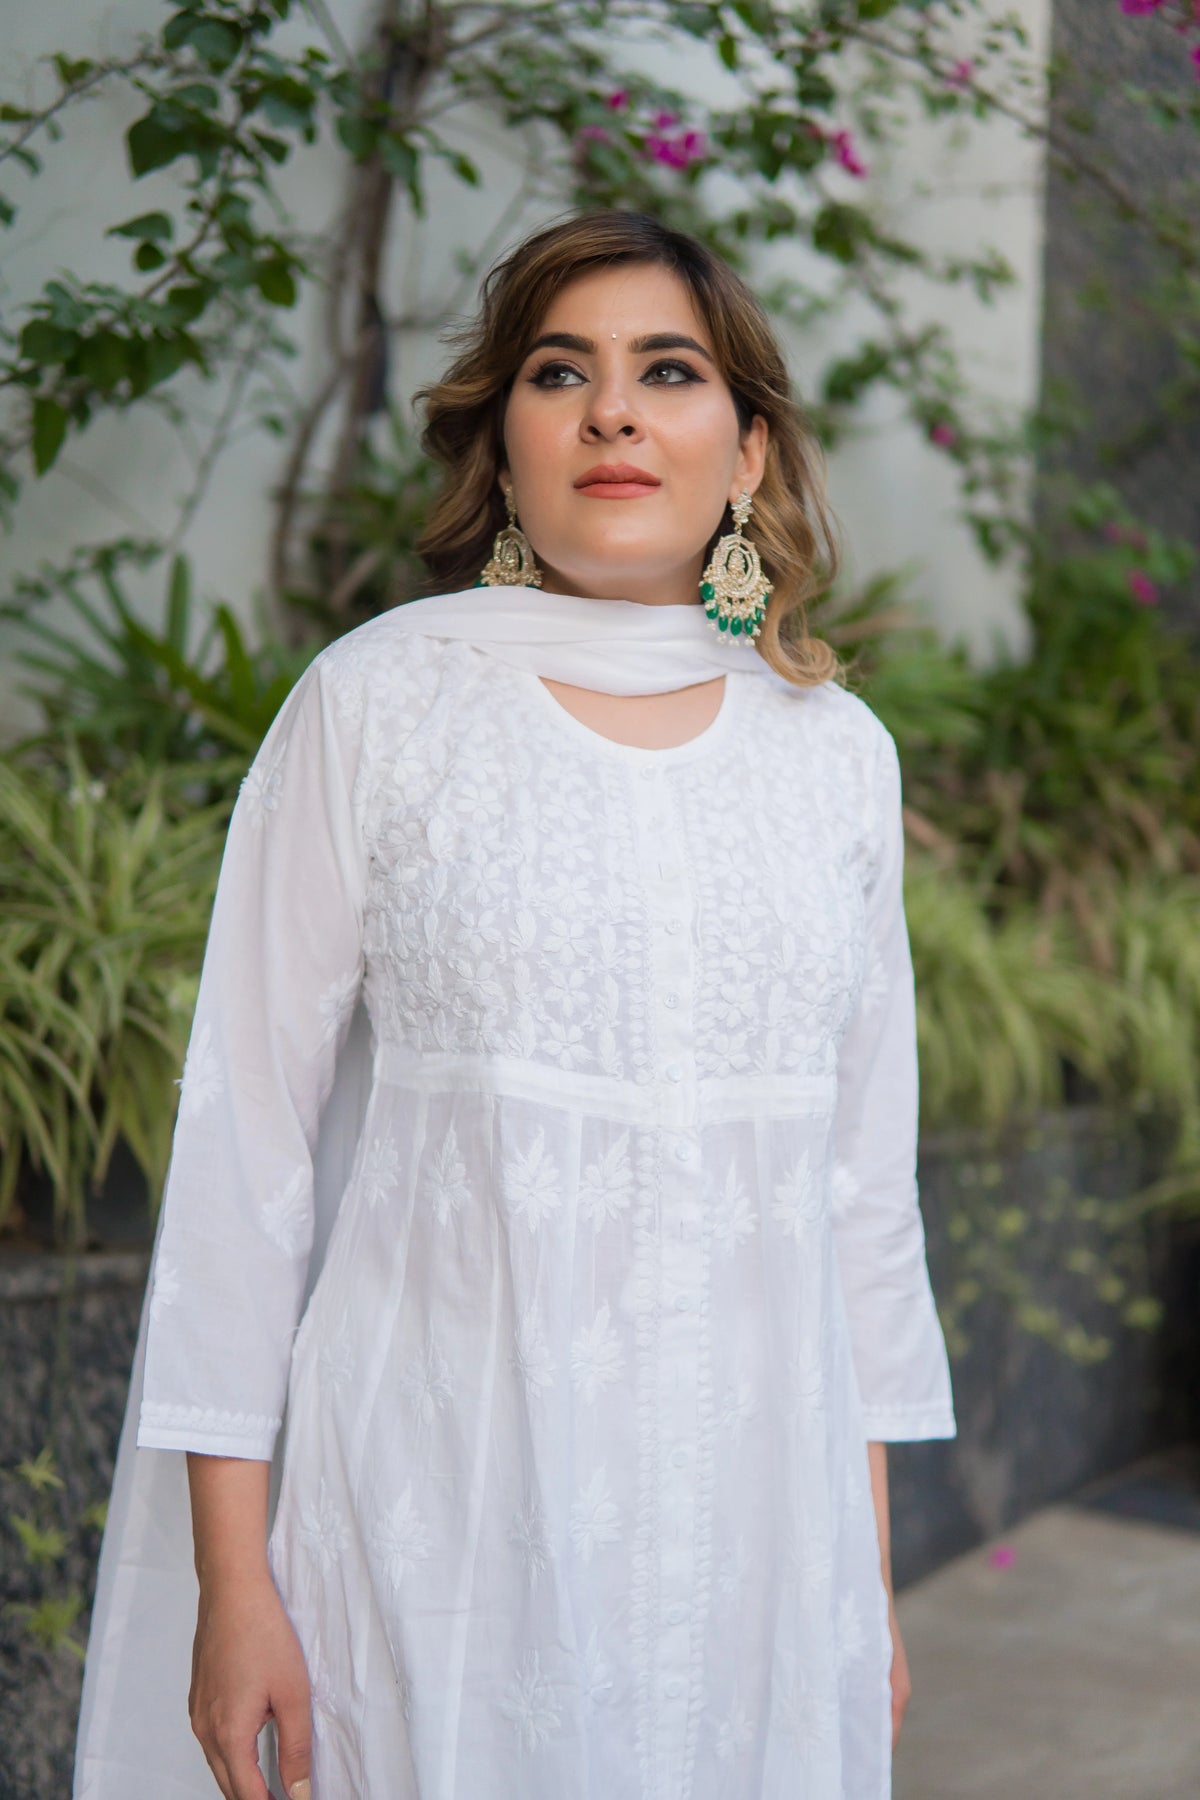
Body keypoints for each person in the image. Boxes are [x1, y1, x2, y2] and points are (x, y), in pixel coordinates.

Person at [74, 208, 955, 1800]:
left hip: (754, 1549)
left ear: (747, 452)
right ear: (507, 446)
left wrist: (861, 1582)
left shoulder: (838, 759)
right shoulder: (382, 705)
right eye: (563, 373)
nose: (614, 410)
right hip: (435, 1522)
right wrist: (233, 1583)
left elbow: (856, 1199)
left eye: (666, 371)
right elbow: (242, 1158)